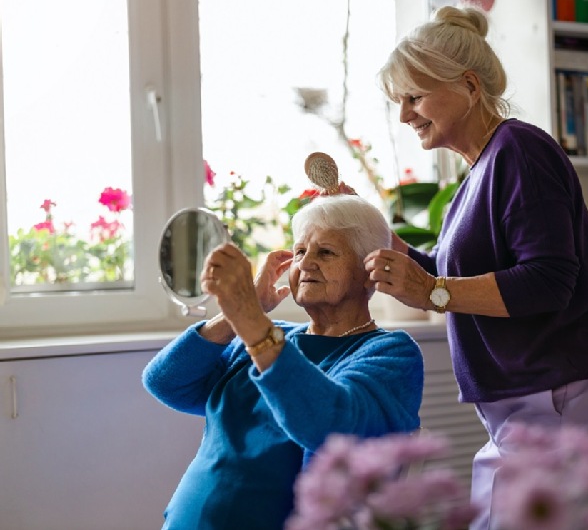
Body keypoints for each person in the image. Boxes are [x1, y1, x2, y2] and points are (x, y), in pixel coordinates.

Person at [367, 4, 588, 530]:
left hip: (558, 394)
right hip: (524, 403)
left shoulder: (520, 152)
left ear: (467, 85)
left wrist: (433, 291)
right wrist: (370, 230)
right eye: (399, 102)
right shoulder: (479, 172)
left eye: (414, 97)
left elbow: (548, 281)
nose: (404, 115)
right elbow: (445, 273)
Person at [143, 194, 424, 530]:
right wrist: (237, 318)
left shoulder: (389, 352)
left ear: (368, 271)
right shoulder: (265, 335)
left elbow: (329, 425)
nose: (305, 264)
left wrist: (252, 323)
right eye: (300, 252)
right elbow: (166, 382)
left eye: (326, 252)